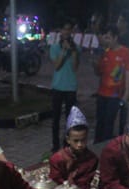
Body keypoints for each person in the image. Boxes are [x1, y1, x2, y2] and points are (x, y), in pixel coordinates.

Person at [93, 26, 129, 143]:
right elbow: (99, 72)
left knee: (109, 123)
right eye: (105, 38)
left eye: (108, 38)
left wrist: (126, 92)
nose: (106, 40)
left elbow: (128, 71)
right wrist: (95, 66)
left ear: (115, 38)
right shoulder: (105, 52)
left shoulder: (125, 52)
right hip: (102, 93)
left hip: (115, 95)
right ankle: (96, 146)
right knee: (100, 122)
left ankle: (105, 149)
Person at [49, 105, 98, 189]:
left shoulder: (92, 159)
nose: (80, 144)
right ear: (68, 140)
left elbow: (87, 182)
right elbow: (55, 183)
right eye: (76, 141)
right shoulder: (57, 159)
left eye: (83, 140)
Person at [49, 22, 79, 153]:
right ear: (60, 31)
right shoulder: (54, 47)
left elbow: (75, 67)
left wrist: (72, 51)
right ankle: (55, 146)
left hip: (70, 87)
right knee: (55, 119)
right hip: (57, 87)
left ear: (72, 31)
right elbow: (57, 66)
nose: (66, 32)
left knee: (70, 119)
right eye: (64, 29)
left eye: (69, 29)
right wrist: (64, 50)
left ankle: (67, 145)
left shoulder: (77, 48)